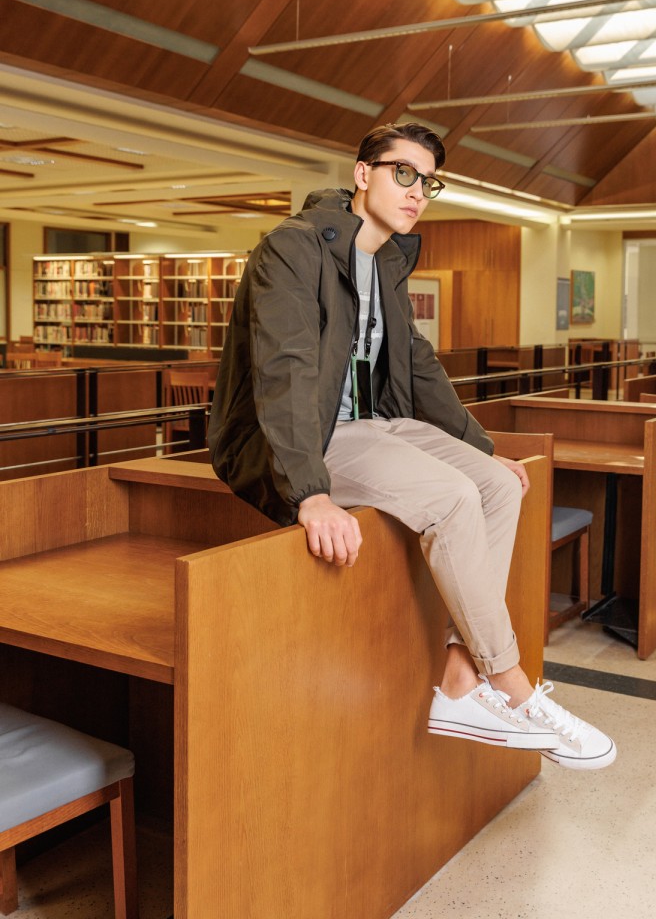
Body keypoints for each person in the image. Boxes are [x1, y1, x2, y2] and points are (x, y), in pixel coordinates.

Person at [208, 121, 616, 769]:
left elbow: (419, 364)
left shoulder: (388, 261)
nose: (417, 191)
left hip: (376, 424)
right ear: (362, 174)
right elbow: (285, 370)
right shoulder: (294, 247)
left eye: (428, 182)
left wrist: (480, 448)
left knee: (498, 485)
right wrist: (310, 494)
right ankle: (511, 683)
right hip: (309, 436)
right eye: (403, 173)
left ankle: (459, 677)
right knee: (452, 498)